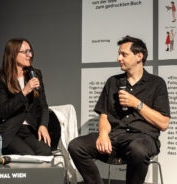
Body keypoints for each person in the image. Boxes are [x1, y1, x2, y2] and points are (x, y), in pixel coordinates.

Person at [68, 36, 170, 184]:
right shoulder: (113, 82)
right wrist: (103, 134)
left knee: (138, 149)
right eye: (119, 54)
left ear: (139, 57)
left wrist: (137, 104)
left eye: (124, 54)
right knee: (76, 146)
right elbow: (104, 116)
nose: (118, 58)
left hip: (143, 139)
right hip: (115, 139)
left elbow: (164, 123)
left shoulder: (157, 83)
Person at [0, 38, 52, 156]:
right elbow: (3, 111)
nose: (29, 55)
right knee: (27, 154)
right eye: (25, 52)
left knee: (45, 152)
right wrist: (24, 91)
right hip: (10, 131)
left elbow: (43, 106)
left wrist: (43, 125)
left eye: (30, 51)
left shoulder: (35, 74)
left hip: (30, 130)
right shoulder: (0, 78)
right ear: (13, 54)